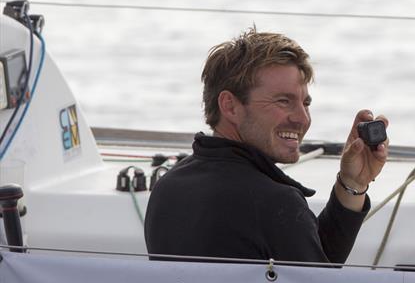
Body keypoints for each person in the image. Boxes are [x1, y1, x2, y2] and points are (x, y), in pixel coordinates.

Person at [144, 29, 388, 263]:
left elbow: (315, 263)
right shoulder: (272, 203)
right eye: (284, 101)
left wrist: (352, 184)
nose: (302, 118)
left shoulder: (168, 188)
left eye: (306, 103)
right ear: (230, 106)